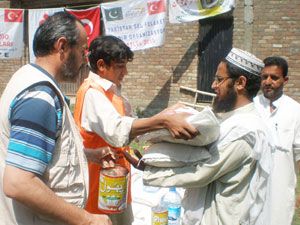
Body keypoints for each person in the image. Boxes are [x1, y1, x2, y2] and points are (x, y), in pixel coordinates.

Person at [0, 12, 112, 225]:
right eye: (82, 50)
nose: (84, 59)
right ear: (62, 47)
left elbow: (38, 153)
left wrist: (86, 154)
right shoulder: (40, 97)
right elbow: (18, 183)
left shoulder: (27, 77)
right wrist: (87, 219)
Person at [73, 35, 199, 225]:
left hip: (115, 182)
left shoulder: (110, 91)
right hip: (99, 187)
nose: (126, 72)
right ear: (101, 65)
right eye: (120, 66)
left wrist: (131, 151)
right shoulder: (92, 93)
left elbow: (126, 127)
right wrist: (162, 121)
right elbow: (117, 131)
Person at [142, 48, 273, 225]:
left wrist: (149, 172)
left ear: (240, 83)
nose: (213, 85)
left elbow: (202, 172)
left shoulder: (246, 131)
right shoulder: (231, 119)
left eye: (219, 80)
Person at [254, 56, 300, 225]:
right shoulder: (251, 106)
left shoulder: (295, 111)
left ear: (285, 80)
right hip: (251, 185)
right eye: (264, 77)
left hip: (280, 187)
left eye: (274, 77)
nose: (268, 82)